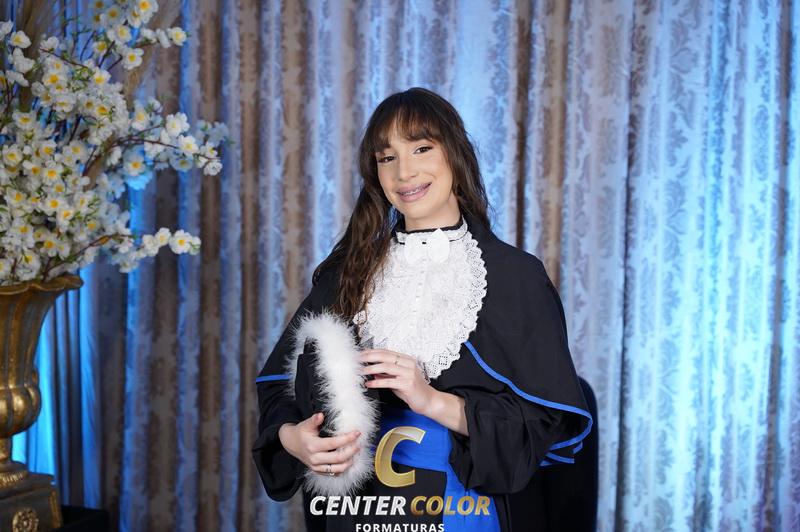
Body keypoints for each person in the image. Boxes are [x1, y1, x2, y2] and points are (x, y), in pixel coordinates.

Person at [253, 87, 593, 531]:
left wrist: (431, 400)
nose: (404, 171)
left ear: (455, 153)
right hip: (355, 509)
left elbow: (543, 426)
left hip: (461, 506)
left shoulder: (516, 277)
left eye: (421, 148)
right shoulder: (347, 273)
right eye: (387, 157)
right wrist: (292, 438)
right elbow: (280, 388)